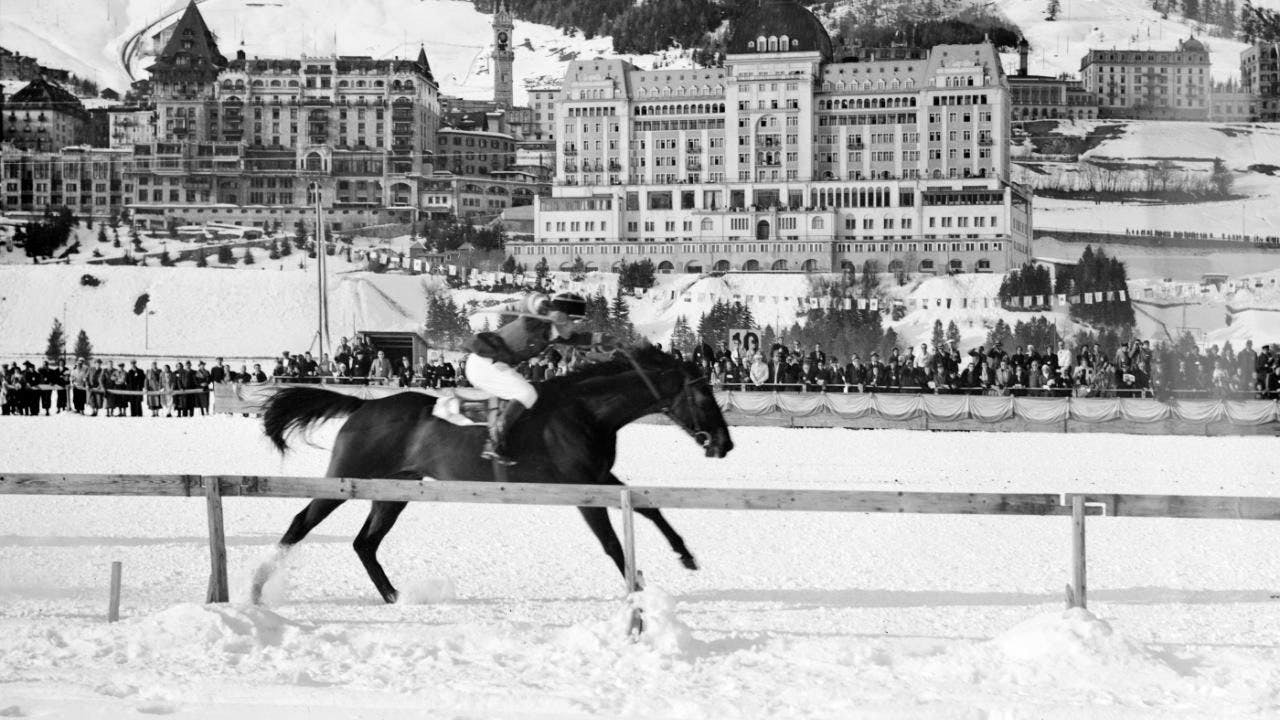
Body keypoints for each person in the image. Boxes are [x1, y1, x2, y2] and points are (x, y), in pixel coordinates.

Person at [464, 292, 612, 465]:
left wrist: (606, 339)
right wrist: (546, 309)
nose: (574, 327)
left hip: (494, 365)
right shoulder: (535, 322)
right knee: (527, 393)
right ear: (562, 318)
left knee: (531, 392)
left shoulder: (554, 333)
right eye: (574, 321)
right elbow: (530, 300)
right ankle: (494, 443)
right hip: (484, 363)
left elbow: (580, 339)